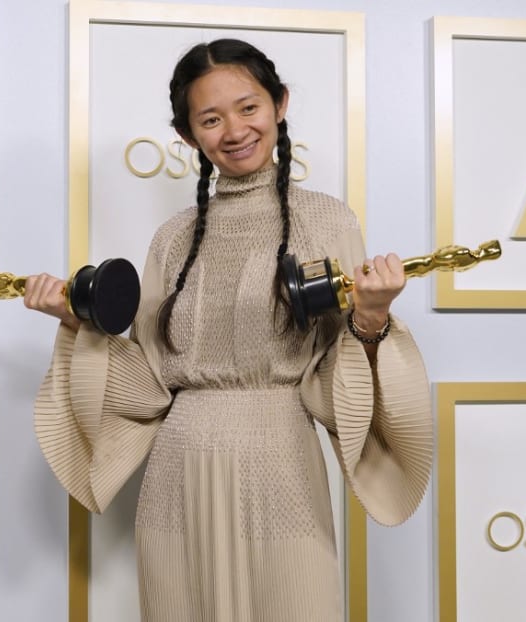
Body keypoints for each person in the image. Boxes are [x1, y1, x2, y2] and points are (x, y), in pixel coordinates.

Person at [25, 39, 433, 622]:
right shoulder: (171, 237)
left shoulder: (327, 219)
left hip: (282, 460)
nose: (235, 130)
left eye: (249, 108)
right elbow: (147, 379)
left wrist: (371, 317)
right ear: (189, 136)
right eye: (210, 119)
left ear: (279, 104)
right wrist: (74, 319)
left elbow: (333, 375)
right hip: (178, 472)